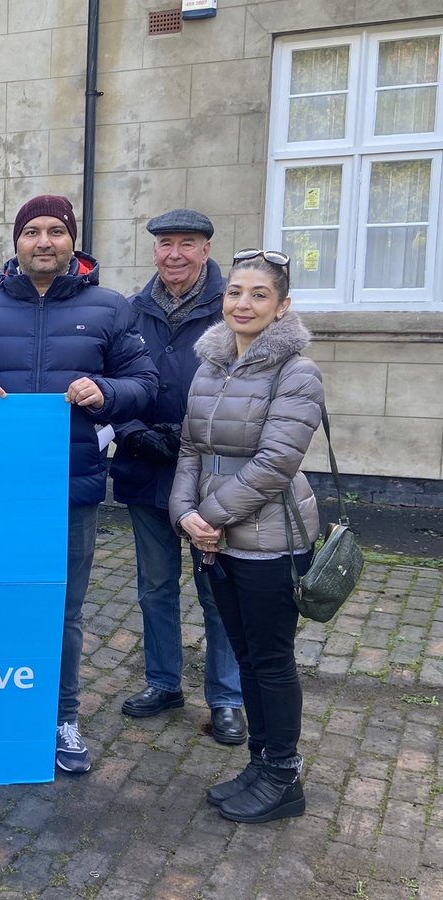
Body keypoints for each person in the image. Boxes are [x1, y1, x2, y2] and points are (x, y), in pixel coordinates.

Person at [0, 195, 158, 774]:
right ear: (17, 242)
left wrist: (106, 393)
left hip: (69, 486)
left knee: (62, 610)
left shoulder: (109, 308)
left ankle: (61, 718)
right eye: (32, 231)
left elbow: (145, 381)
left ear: (71, 241)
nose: (44, 241)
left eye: (56, 231)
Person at [170, 248, 323, 824]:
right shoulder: (210, 365)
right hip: (215, 536)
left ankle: (284, 774)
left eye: (259, 294)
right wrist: (185, 513)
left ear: (282, 307)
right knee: (245, 653)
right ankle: (261, 763)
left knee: (271, 659)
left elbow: (276, 462)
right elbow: (190, 447)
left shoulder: (296, 372)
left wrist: (209, 517)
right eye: (235, 292)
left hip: (270, 539)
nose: (244, 303)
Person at [110, 209, 245, 744]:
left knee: (217, 590)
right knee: (155, 587)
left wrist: (191, 436)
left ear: (206, 251)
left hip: (212, 477)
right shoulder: (130, 310)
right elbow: (112, 376)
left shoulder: (231, 307)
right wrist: (134, 427)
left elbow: (247, 391)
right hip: (147, 467)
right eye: (166, 243)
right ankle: (164, 681)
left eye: (186, 244)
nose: (174, 254)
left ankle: (227, 697)